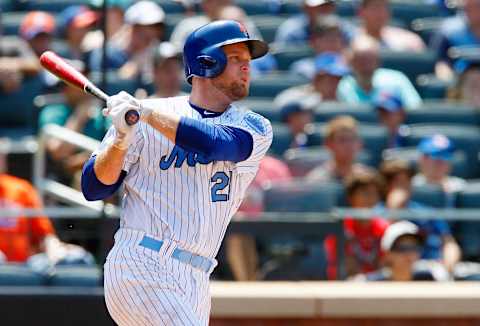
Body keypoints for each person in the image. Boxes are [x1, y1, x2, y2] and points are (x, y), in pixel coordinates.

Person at [81, 20, 272, 325]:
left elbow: (215, 145)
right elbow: (94, 188)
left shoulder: (255, 126)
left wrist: (146, 115)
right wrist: (120, 139)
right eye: (236, 59)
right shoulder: (139, 119)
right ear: (206, 62)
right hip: (143, 261)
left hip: (197, 276)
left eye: (247, 60)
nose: (246, 67)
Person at [380, 159, 461, 274]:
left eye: (407, 181)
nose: (403, 186)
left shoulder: (426, 212)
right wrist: (394, 209)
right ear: (386, 185)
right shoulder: (374, 212)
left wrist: (448, 269)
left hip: (430, 269)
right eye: (397, 182)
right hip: (393, 272)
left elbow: (449, 243)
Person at [38, 61, 109, 186]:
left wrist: (87, 159)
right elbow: (58, 151)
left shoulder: (102, 113)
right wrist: (79, 116)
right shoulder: (53, 112)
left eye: (86, 79)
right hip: (64, 181)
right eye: (75, 82)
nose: (85, 86)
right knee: (83, 178)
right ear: (64, 87)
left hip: (102, 171)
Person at [324, 169, 389, 279]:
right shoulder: (340, 229)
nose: (370, 199)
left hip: (378, 287)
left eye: (375, 193)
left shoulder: (385, 228)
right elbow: (341, 268)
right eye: (365, 193)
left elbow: (385, 266)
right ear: (351, 197)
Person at [337, 35, 422, 110]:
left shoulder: (397, 79)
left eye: (370, 60)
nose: (366, 66)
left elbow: (414, 108)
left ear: (378, 61)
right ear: (351, 62)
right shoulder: (344, 85)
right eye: (361, 60)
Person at [88, 0, 165, 81]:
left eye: (157, 27)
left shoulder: (160, 54)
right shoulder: (107, 54)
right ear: (132, 27)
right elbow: (104, 88)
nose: (152, 31)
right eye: (145, 26)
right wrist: (133, 67)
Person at [358, 221, 433, 281]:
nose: (408, 254)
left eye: (414, 248)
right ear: (387, 253)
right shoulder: (372, 283)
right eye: (402, 249)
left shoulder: (428, 278)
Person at [306, 115, 370, 183]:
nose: (349, 145)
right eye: (342, 140)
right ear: (328, 144)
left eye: (353, 139)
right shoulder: (317, 180)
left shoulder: (367, 178)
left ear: (360, 144)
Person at [274, 52, 349, 108]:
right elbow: (280, 105)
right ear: (317, 79)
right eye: (331, 79)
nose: (336, 84)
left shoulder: (346, 98)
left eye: (339, 79)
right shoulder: (296, 95)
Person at [430, 0, 480, 80]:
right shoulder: (449, 30)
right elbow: (441, 63)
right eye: (470, 6)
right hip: (461, 81)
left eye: (477, 6)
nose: (473, 9)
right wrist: (450, 83)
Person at [290, 14, 347, 79]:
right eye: (327, 39)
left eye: (337, 38)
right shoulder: (302, 68)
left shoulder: (352, 67)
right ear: (313, 42)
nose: (333, 43)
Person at [274, 0, 353, 46]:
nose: (325, 10)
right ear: (306, 8)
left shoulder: (344, 27)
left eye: (329, 5)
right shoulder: (291, 30)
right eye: (320, 7)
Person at [355, 0, 425, 52]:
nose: (381, 13)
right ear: (361, 12)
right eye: (375, 7)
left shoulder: (409, 40)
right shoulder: (350, 40)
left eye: (385, 7)